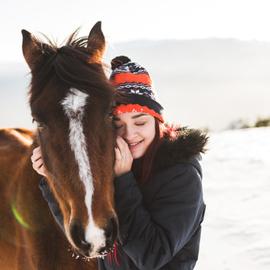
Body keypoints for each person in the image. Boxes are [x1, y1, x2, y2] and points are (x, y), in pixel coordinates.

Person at [31, 56, 208, 270]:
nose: (129, 134)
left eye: (140, 122)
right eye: (117, 123)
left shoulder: (181, 175)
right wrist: (51, 181)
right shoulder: (112, 167)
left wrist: (124, 181)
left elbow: (153, 257)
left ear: (157, 122)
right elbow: (89, 233)